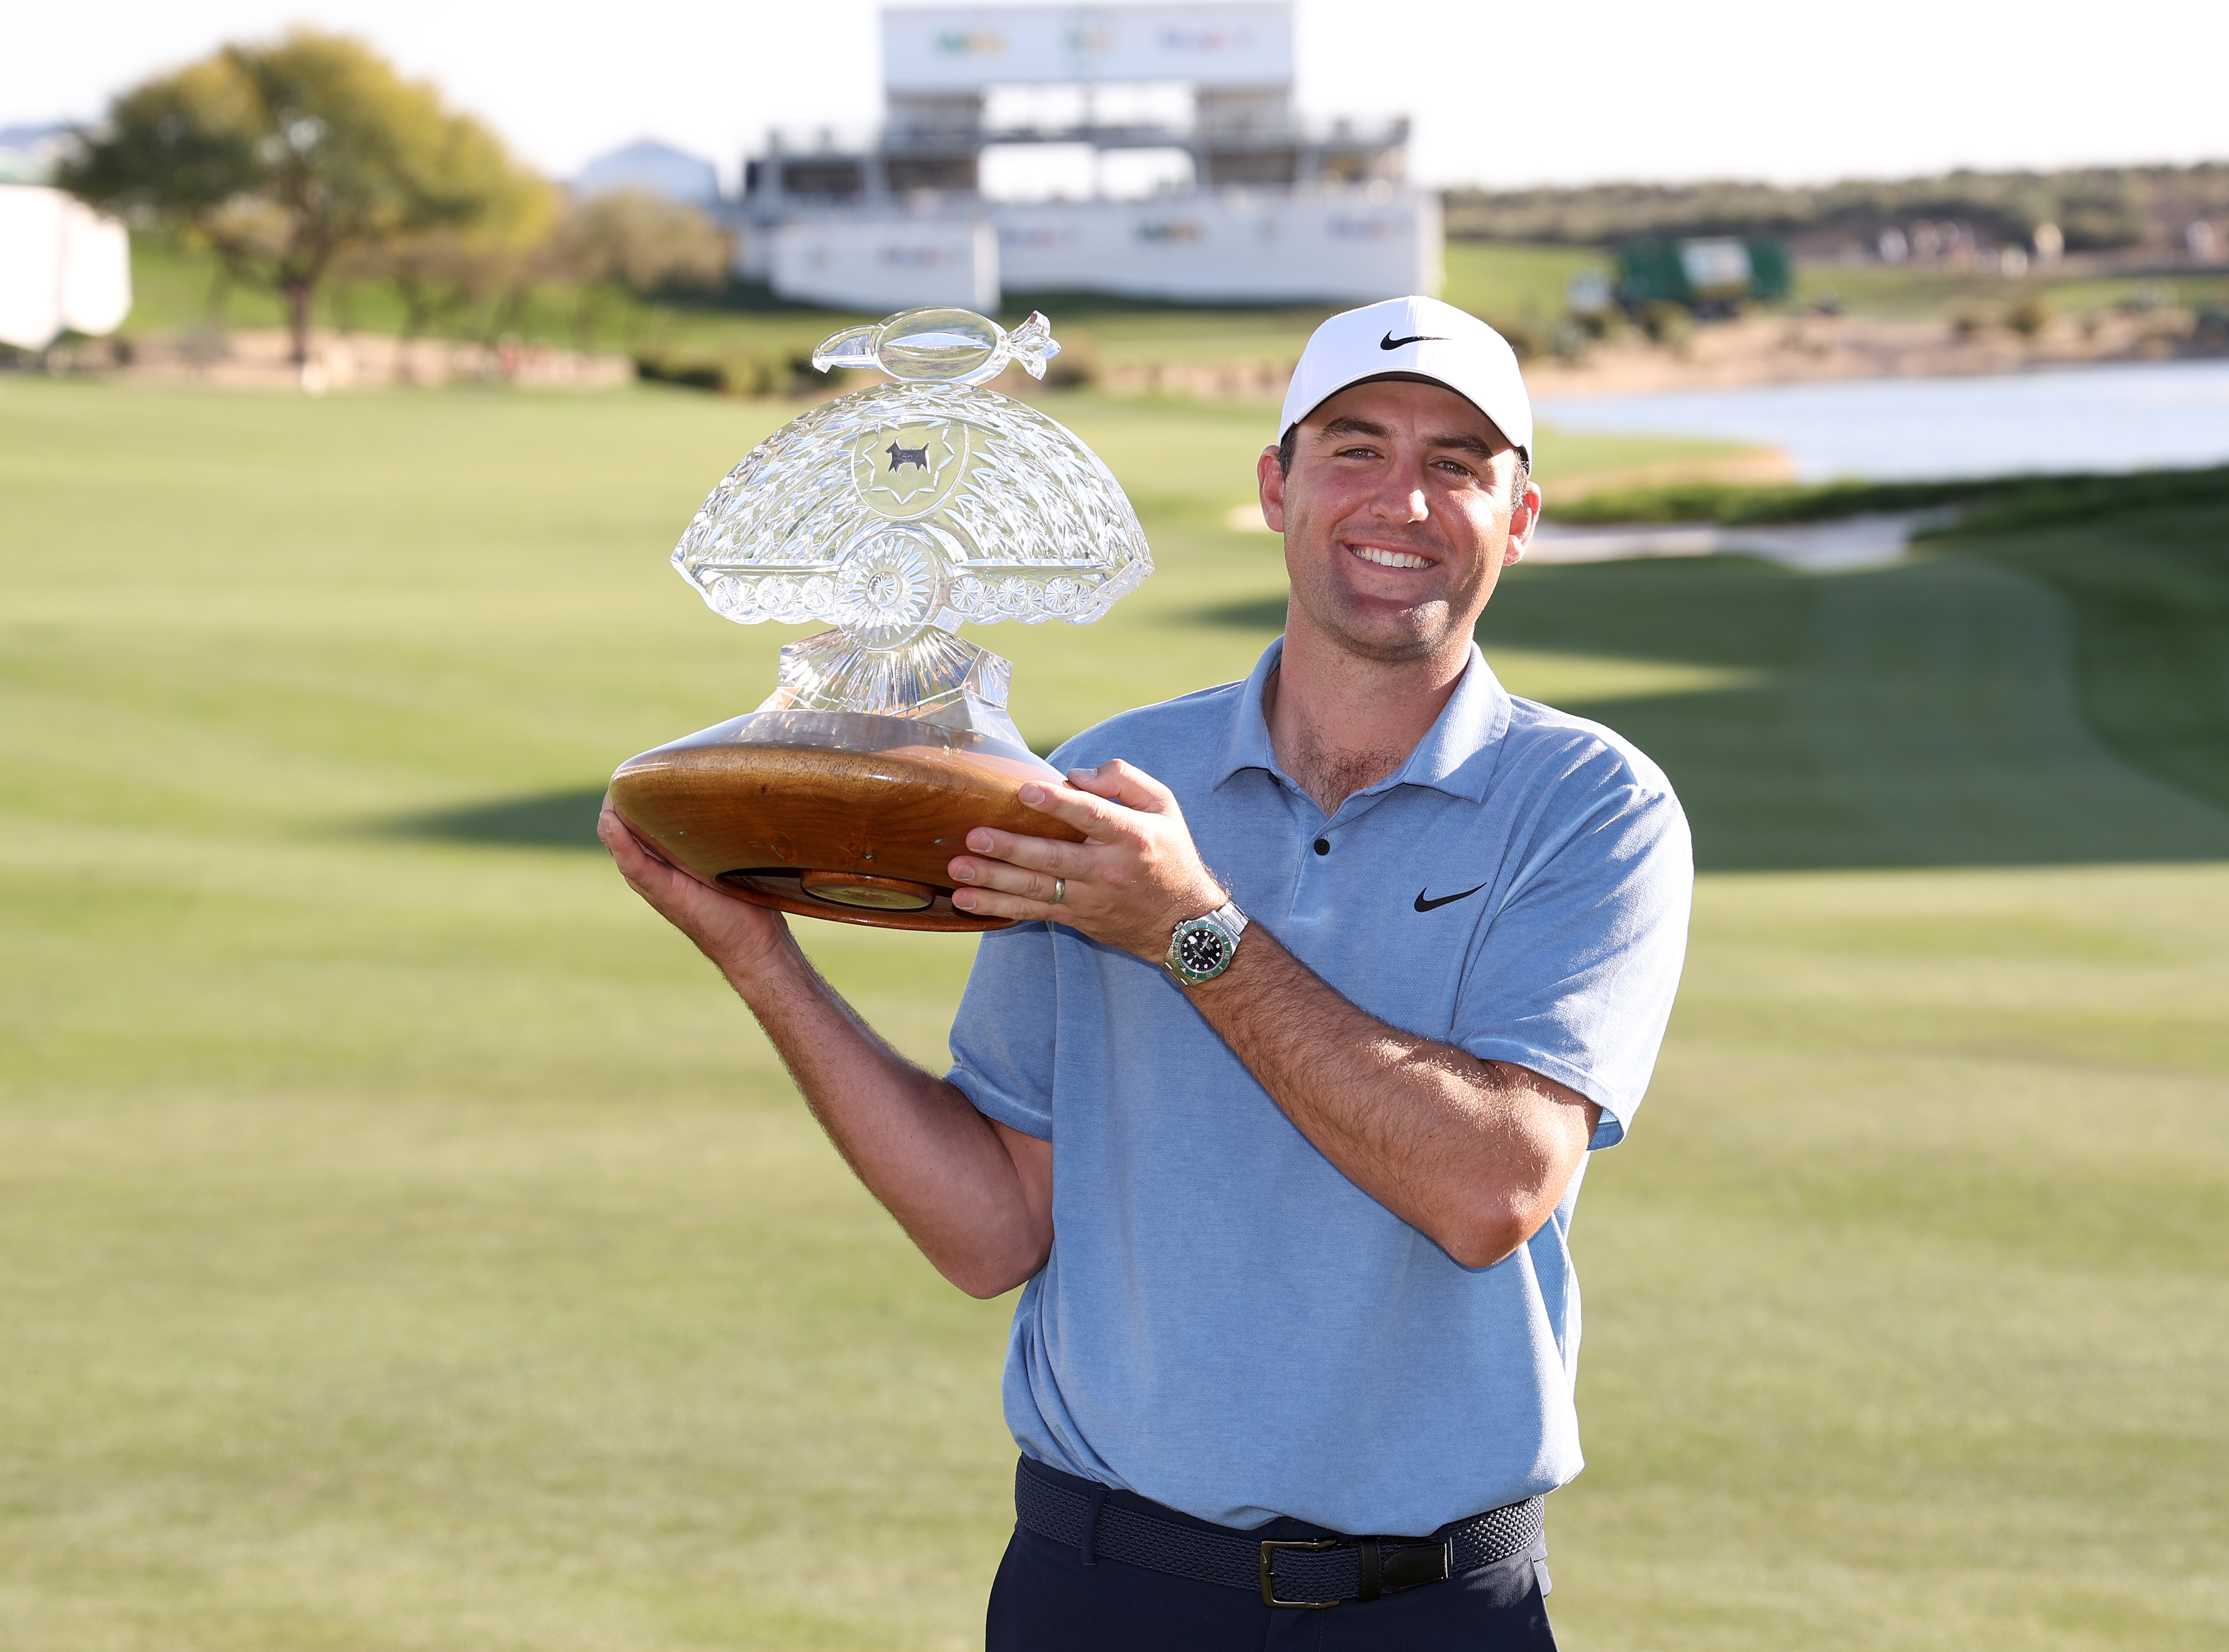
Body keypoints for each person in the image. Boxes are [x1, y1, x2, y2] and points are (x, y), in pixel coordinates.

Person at [601, 295, 1694, 1649]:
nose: (1401, 500)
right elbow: (994, 1228)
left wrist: (1193, 927)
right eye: (1354, 449)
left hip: (1430, 1608)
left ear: (1519, 517)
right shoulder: (1105, 785)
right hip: (1105, 1585)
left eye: (1458, 466)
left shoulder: (1590, 804)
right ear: (1277, 485)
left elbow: (1492, 1189)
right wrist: (760, 959)